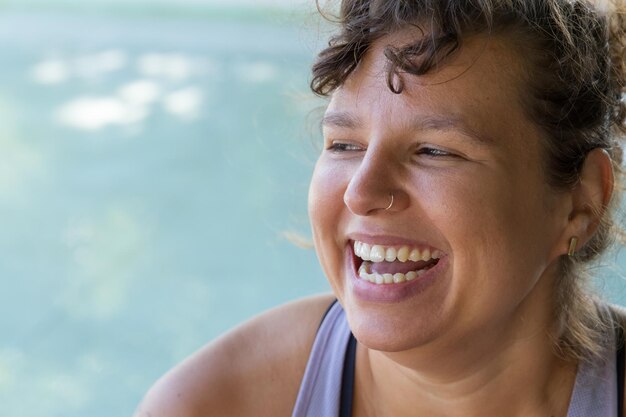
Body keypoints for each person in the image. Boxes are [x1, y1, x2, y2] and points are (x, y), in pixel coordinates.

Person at [134, 0, 626, 415]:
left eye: (435, 151)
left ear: (580, 202)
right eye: (344, 145)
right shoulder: (209, 404)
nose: (360, 193)